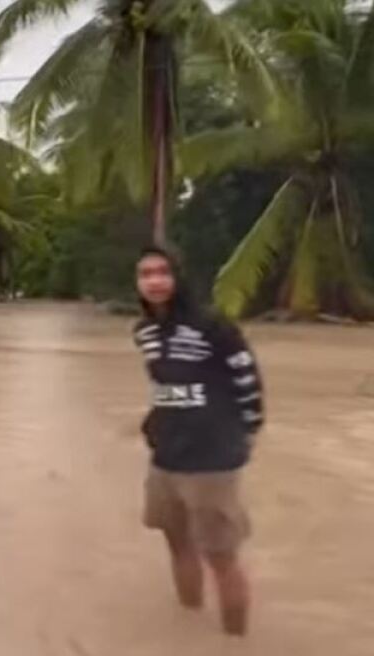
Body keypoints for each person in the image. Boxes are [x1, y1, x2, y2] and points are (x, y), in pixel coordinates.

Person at [132, 247, 263, 636]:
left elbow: (247, 378)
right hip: (166, 457)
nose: (154, 281)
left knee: (221, 556)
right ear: (137, 283)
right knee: (176, 543)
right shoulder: (145, 332)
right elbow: (164, 384)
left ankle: (234, 641)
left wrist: (248, 431)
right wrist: (153, 422)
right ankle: (188, 628)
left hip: (212, 460)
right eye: (145, 274)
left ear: (178, 278)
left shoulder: (212, 325)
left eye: (163, 272)